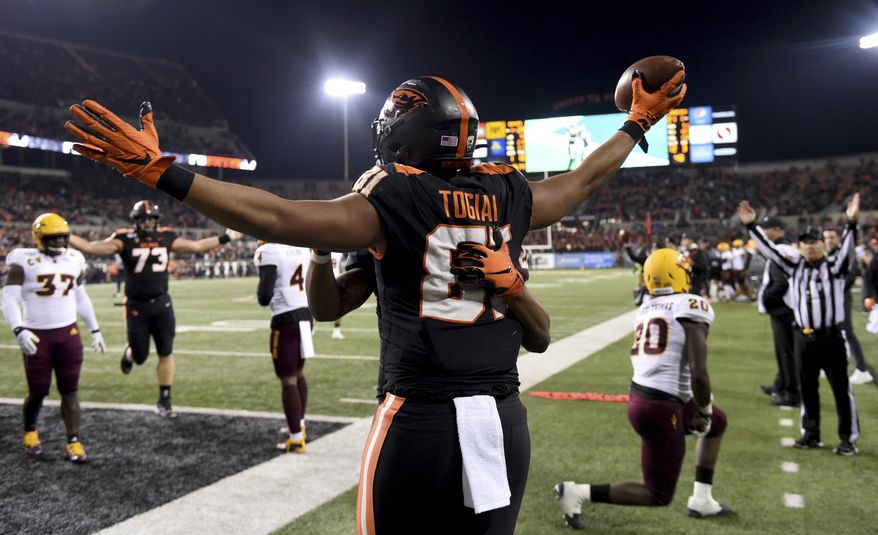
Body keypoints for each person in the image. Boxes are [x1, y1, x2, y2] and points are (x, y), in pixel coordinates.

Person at [64, 70, 685, 533]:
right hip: (501, 417)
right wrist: (637, 123)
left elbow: (276, 215)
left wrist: (163, 173)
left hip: (420, 418)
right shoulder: (508, 192)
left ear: (405, 138)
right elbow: (583, 179)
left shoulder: (395, 195)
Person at [554, 249, 731, 529]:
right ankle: (576, 492)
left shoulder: (647, 307)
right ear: (679, 274)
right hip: (662, 406)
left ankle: (702, 498)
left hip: (644, 397)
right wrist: (704, 409)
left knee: (718, 423)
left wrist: (706, 413)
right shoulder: (692, 304)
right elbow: (699, 372)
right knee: (658, 494)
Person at [69, 200, 242, 417]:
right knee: (140, 356)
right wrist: (65, 233)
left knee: (166, 352)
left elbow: (196, 246)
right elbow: (91, 248)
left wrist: (226, 237)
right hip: (136, 306)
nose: (148, 223)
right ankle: (129, 353)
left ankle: (165, 399)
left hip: (162, 303)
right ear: (137, 220)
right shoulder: (124, 239)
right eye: (144, 219)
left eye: (151, 219)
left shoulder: (166, 237)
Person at [739, 196, 861, 455]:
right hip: (804, 337)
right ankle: (811, 434)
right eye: (805, 243)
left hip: (831, 337)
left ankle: (847, 439)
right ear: (800, 246)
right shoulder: (795, 267)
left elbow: (849, 248)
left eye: (814, 243)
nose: (810, 247)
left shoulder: (835, 266)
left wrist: (851, 222)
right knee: (808, 388)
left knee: (841, 390)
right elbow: (769, 250)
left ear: (821, 245)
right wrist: (752, 228)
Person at [2, 213, 106, 463]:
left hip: (68, 334)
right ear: (39, 238)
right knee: (37, 391)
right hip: (37, 335)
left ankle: (73, 441)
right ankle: (29, 430)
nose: (59, 242)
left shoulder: (74, 258)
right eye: (53, 238)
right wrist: (19, 329)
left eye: (63, 237)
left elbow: (80, 297)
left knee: (70, 390)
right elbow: (8, 299)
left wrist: (94, 329)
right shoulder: (23, 259)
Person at [254, 241, 313, 452]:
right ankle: (299, 425)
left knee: (288, 380)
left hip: (285, 318)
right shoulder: (301, 246)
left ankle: (296, 438)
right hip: (306, 314)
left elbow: (264, 296)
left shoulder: (269, 251)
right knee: (299, 374)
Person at [754, 216, 799, 407]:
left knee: (786, 352)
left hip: (783, 310)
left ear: (780, 230)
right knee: (785, 352)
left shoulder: (781, 251)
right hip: (785, 309)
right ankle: (781, 384)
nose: (765, 232)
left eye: (769, 228)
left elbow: (780, 284)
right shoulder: (785, 250)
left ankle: (791, 394)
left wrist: (767, 299)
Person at [824, 228, 873, 385]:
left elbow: (851, 276)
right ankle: (829, 364)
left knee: (847, 333)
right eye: (826, 238)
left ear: (839, 239)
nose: (829, 240)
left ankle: (862, 369)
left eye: (832, 237)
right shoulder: (827, 255)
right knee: (829, 332)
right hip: (828, 299)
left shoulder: (845, 255)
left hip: (841, 299)